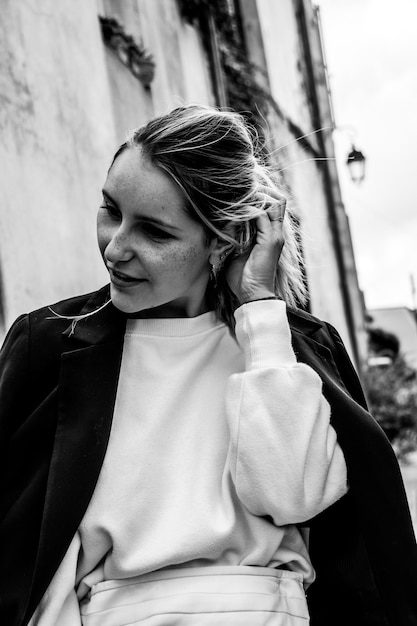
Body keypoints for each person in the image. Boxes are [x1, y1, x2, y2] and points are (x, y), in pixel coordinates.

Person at [0, 104, 416, 626]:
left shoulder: (293, 346)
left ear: (221, 240)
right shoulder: (49, 346)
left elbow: (293, 498)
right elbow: (19, 557)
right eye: (110, 210)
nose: (115, 247)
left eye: (154, 232)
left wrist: (261, 313)